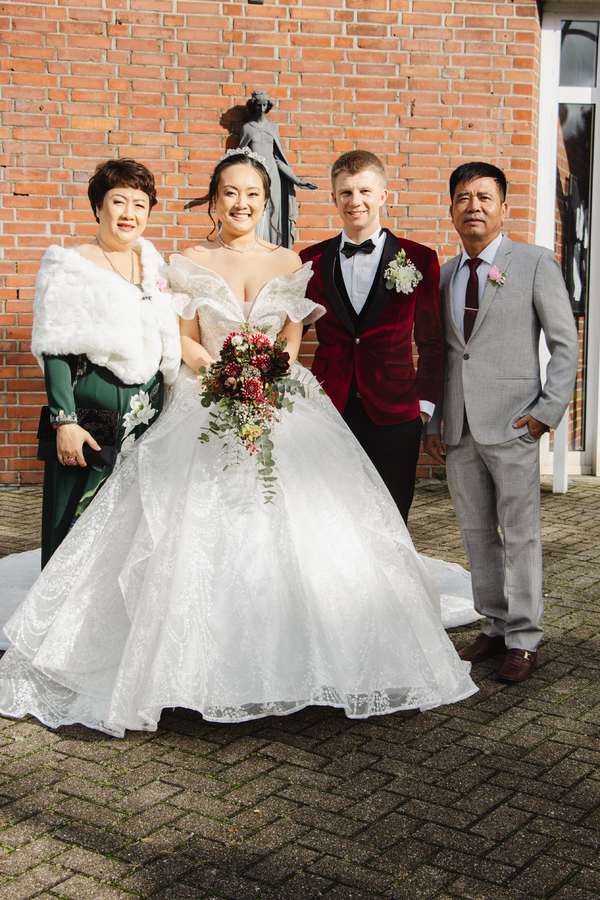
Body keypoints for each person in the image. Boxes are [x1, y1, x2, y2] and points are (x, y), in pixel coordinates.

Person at [0, 149, 477, 736]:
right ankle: (186, 670)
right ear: (214, 200)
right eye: (230, 193)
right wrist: (223, 376)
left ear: (265, 202)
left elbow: (294, 335)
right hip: (207, 397)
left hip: (281, 399)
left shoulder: (290, 260)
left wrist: (268, 372)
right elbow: (182, 338)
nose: (241, 204)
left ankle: (307, 661)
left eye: (252, 194)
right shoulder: (186, 261)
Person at [423, 162, 579, 683]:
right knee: (475, 534)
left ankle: (525, 638)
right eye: (463, 198)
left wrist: (544, 414)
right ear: (451, 209)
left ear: (504, 207)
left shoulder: (533, 262)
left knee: (520, 535)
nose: (474, 206)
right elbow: (444, 356)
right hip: (460, 427)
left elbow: (565, 344)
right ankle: (493, 625)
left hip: (515, 425)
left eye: (484, 197)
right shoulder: (444, 274)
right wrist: (434, 424)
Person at [33, 158, 181, 566]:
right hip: (90, 416)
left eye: (140, 204)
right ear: (98, 206)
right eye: (119, 201)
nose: (129, 213)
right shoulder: (71, 265)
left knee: (128, 529)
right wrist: (64, 422)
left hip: (146, 419)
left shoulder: (153, 265)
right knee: (78, 520)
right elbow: (55, 347)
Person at [300, 151, 445, 523]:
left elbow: (432, 342)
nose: (355, 201)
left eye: (365, 190)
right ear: (334, 198)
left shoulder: (419, 258)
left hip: (397, 413)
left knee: (392, 517)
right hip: (329, 408)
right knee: (331, 516)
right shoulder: (310, 260)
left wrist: (424, 408)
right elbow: (290, 333)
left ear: (383, 196)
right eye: (346, 192)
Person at [238, 90, 317, 247]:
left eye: (264, 105)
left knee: (274, 215)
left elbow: (278, 159)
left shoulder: (272, 128)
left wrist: (297, 181)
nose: (261, 108)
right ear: (253, 106)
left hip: (273, 176)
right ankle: (254, 248)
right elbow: (241, 157)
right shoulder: (247, 128)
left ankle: (273, 248)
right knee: (257, 212)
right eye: (258, 105)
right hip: (255, 176)